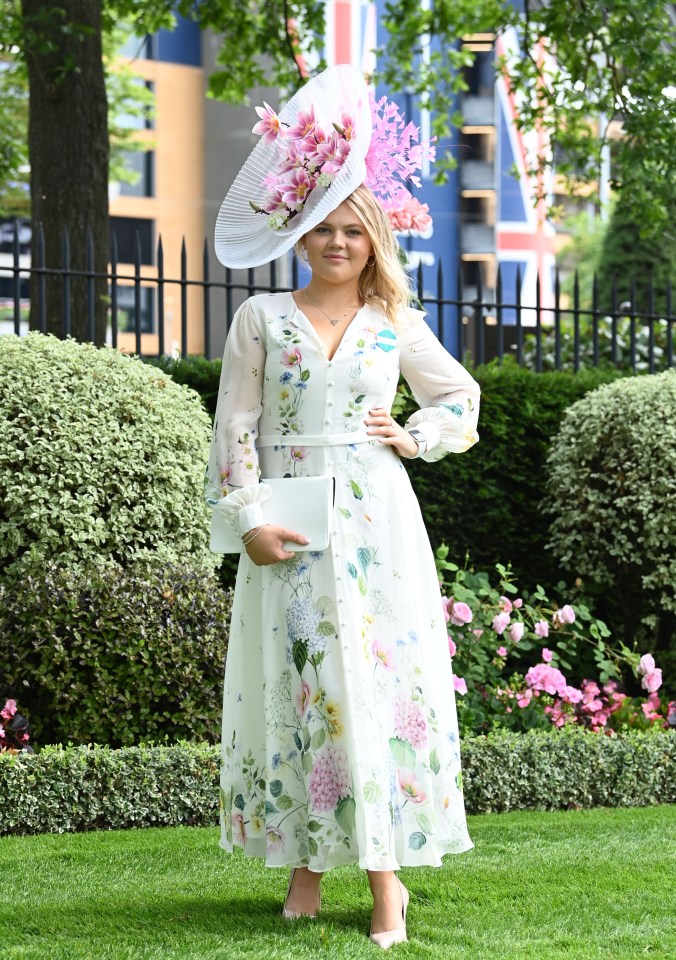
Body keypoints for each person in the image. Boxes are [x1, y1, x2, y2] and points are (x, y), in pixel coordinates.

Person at [206, 66, 480, 949]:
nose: (336, 241)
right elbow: (236, 428)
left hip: (377, 524)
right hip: (292, 520)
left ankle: (386, 883)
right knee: (304, 685)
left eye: (351, 228)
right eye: (321, 226)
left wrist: (411, 435)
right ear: (298, 233)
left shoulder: (395, 322)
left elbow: (460, 401)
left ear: (372, 238)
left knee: (371, 683)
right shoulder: (259, 318)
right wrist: (247, 521)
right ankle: (305, 865)